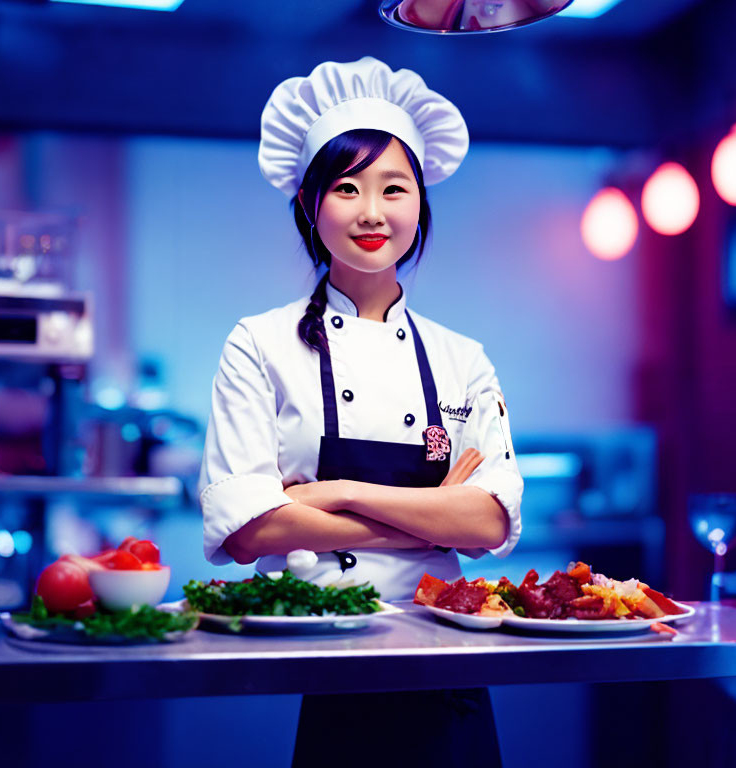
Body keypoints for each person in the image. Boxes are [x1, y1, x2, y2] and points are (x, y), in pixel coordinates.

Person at [199, 57, 523, 768]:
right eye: (347, 187)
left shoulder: (463, 358)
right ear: (310, 207)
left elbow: (489, 521)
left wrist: (338, 492)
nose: (372, 212)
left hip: (448, 660)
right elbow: (252, 529)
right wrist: (424, 522)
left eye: (393, 188)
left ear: (420, 206)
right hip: (324, 653)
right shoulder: (258, 343)